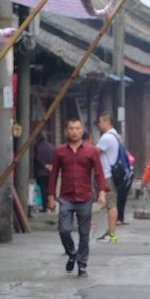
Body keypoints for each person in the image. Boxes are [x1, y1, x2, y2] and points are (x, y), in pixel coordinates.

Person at [47, 117, 106, 276]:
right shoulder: (60, 151)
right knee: (64, 230)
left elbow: (99, 173)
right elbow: (54, 174)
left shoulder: (91, 150)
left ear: (82, 130)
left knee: (84, 234)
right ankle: (72, 253)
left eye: (77, 128)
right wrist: (51, 196)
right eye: (71, 129)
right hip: (66, 197)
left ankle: (82, 265)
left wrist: (101, 192)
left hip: (85, 197)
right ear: (66, 131)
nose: (74, 132)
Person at [95, 112, 123, 242]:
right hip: (112, 173)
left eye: (100, 121)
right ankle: (110, 232)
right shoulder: (116, 135)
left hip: (107, 174)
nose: (99, 124)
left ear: (107, 121)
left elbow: (94, 153)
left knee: (111, 204)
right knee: (112, 204)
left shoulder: (106, 137)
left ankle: (111, 234)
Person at [33, 131, 55, 210]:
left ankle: (44, 206)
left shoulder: (38, 147)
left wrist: (44, 165)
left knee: (42, 189)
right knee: (48, 188)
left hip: (41, 171)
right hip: (50, 171)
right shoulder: (51, 147)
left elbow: (37, 158)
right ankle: (49, 204)